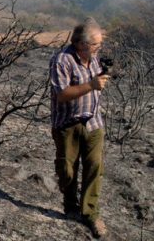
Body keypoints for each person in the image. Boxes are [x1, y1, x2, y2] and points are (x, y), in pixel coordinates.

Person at [49, 17, 109, 238]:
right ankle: (71, 207)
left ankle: (91, 214)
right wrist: (91, 85)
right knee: (67, 169)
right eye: (96, 45)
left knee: (94, 166)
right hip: (67, 124)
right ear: (81, 44)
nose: (98, 48)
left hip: (93, 122)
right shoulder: (61, 61)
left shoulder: (93, 59)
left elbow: (96, 84)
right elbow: (62, 94)